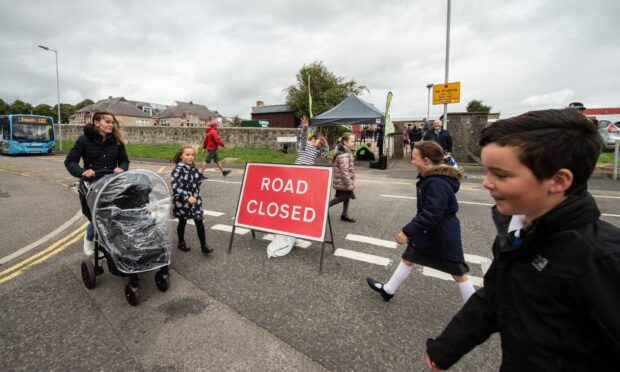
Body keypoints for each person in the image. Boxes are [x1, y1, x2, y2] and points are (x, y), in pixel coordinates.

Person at [425, 109, 620, 371]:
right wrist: (446, 348)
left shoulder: (600, 258)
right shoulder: (518, 233)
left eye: (501, 175)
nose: (487, 183)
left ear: (559, 180)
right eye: (487, 171)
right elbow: (494, 297)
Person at [367, 141, 474, 303]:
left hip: (442, 234)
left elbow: (431, 214)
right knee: (409, 257)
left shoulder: (436, 182)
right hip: (430, 231)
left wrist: (407, 231)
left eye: (414, 158)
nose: (412, 161)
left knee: (458, 273)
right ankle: (388, 290)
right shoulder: (434, 178)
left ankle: (476, 310)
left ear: (426, 161)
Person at [64, 111, 130, 256]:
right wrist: (82, 172)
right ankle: (89, 239)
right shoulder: (83, 140)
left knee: (113, 216)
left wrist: (122, 168)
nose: (111, 125)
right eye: (107, 122)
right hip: (91, 186)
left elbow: (125, 161)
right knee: (96, 218)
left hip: (112, 184)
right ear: (96, 122)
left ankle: (109, 244)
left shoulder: (117, 141)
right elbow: (70, 161)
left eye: (112, 122)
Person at [267, 115, 328, 258]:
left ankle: (297, 228)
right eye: (317, 141)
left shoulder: (318, 150)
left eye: (319, 143)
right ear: (312, 139)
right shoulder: (304, 145)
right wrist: (306, 128)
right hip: (295, 174)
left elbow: (325, 153)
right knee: (290, 198)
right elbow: (302, 137)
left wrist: (324, 142)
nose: (318, 144)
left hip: (307, 178)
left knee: (301, 201)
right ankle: (284, 226)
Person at [171, 145, 213, 256]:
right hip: (182, 202)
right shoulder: (177, 170)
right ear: (181, 156)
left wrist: (196, 195)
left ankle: (204, 246)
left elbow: (197, 183)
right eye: (187, 154)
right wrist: (187, 197)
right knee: (182, 221)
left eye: (192, 155)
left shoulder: (194, 169)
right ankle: (181, 242)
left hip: (195, 201)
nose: (190, 157)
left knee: (199, 220)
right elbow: (175, 188)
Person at [329, 132, 357, 223]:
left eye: (354, 141)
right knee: (342, 198)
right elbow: (344, 171)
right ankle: (324, 207)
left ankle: (344, 214)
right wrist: (348, 183)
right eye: (352, 141)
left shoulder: (346, 151)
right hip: (343, 181)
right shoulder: (344, 154)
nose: (354, 143)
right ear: (345, 142)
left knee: (347, 196)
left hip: (342, 181)